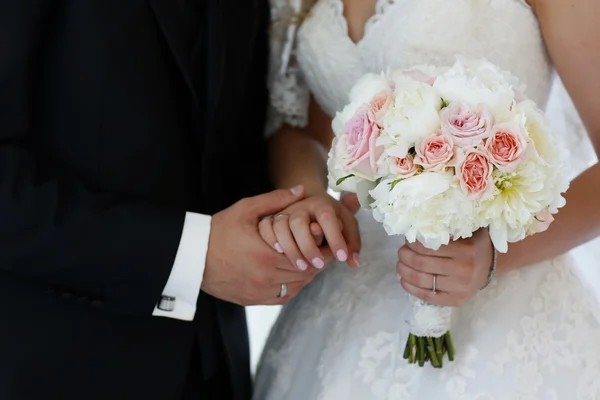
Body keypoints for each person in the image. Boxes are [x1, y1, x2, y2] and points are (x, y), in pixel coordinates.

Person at [0, 1, 361, 399]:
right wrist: (192, 256)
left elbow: (235, 141)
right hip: (54, 363)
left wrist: (297, 217)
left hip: (215, 362)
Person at [253, 0, 600, 398]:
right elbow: (309, 130)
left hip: (507, 308)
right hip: (352, 290)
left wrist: (493, 257)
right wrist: (310, 194)